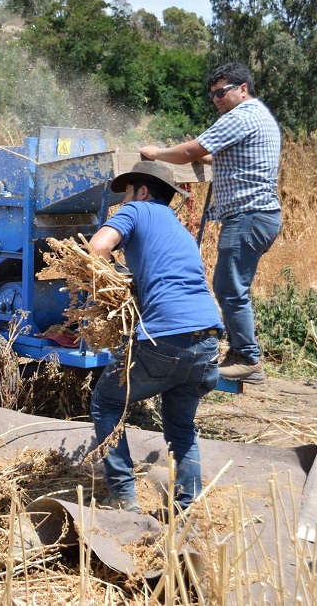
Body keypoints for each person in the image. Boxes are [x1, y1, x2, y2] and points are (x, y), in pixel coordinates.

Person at [88, 161, 222, 518]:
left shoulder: (136, 210)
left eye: (127, 192)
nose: (123, 201)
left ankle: (123, 496)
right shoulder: (177, 229)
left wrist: (106, 279)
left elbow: (97, 246)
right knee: (181, 428)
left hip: (166, 338)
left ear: (142, 191)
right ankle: (184, 509)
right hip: (208, 340)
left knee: (106, 403)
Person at [139, 62, 281, 384]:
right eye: (213, 94)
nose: (216, 98)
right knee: (231, 287)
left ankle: (247, 358)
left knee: (229, 289)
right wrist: (193, 155)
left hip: (248, 216)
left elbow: (194, 148)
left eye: (222, 91)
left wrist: (156, 153)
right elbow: (216, 156)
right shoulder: (258, 116)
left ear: (242, 89)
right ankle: (240, 353)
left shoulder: (240, 116)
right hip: (259, 216)